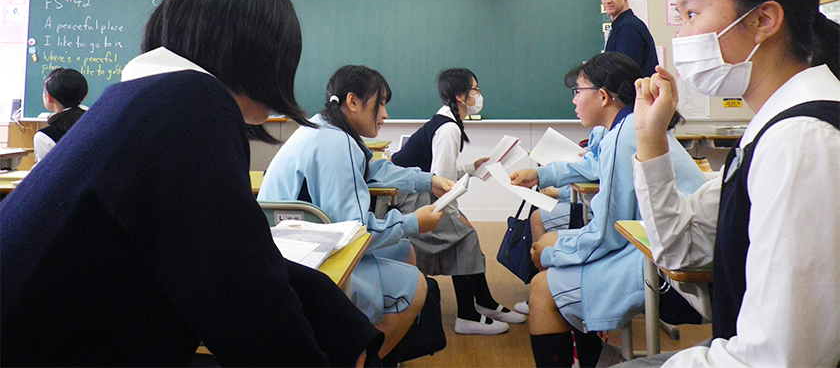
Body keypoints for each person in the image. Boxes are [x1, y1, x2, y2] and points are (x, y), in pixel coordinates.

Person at [0, 0, 383, 367]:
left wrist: (337, 319)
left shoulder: (136, 99)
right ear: (260, 52)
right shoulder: (194, 105)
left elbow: (236, 260)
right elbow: (243, 301)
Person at [630, 0, 840, 367]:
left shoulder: (801, 137)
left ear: (764, 19)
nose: (682, 34)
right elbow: (681, 249)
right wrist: (650, 137)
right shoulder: (770, 128)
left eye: (691, 15)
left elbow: (780, 357)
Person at [509, 52, 708, 368]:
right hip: (669, 247)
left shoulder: (625, 133)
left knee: (542, 287)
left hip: (674, 266)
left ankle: (594, 357)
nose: (573, 101)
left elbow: (606, 233)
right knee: (554, 258)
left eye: (577, 92)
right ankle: (596, 358)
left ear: (602, 96)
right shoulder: (628, 125)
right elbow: (608, 210)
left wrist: (551, 253)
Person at [258, 65, 453, 358]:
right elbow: (356, 231)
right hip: (309, 263)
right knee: (417, 286)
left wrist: (428, 180)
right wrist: (414, 221)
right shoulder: (336, 142)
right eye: (381, 103)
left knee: (404, 250)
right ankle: (359, 358)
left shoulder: (322, 127)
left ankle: (361, 337)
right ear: (353, 102)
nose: (385, 115)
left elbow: (372, 168)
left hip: (288, 250)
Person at [391, 68, 525, 335]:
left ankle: (483, 303)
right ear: (461, 96)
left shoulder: (447, 121)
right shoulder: (449, 127)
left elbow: (440, 175)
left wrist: (471, 169)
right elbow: (440, 183)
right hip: (410, 198)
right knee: (465, 236)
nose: (479, 95)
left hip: (416, 190)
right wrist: (456, 214)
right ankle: (468, 314)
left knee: (465, 234)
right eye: (475, 90)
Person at [600, 0, 658, 77]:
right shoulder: (618, 27)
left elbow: (624, 73)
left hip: (635, 93)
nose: (607, 1)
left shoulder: (629, 27)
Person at [33, 67, 88, 162]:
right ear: (85, 96)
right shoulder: (99, 122)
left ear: (48, 97)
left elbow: (47, 173)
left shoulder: (44, 137)